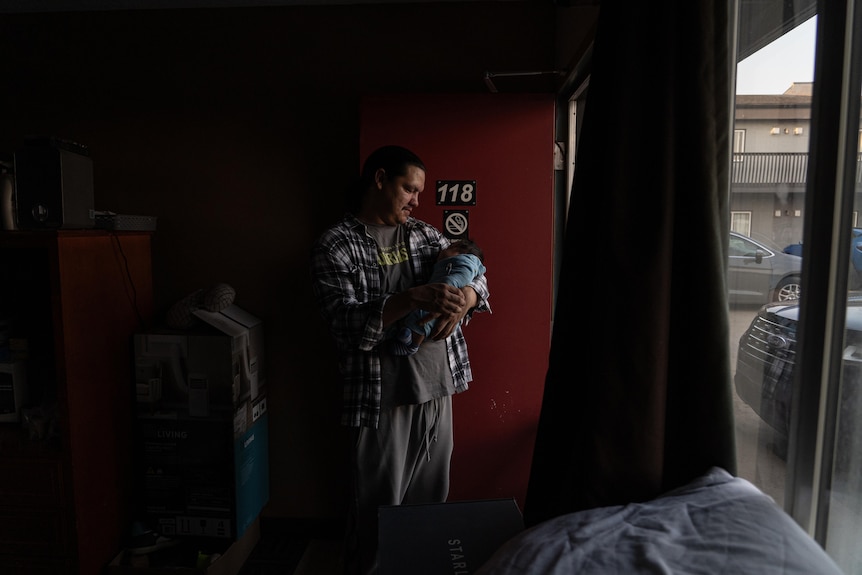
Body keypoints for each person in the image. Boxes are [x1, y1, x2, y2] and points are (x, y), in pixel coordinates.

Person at [310, 145, 490, 575]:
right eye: (409, 189)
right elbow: (345, 325)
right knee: (377, 511)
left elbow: (477, 274)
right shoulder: (336, 244)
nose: (415, 201)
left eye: (418, 193)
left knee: (430, 505)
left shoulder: (427, 236)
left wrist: (466, 298)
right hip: (379, 401)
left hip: (438, 390)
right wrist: (408, 299)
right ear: (379, 179)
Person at [386, 238, 486, 356]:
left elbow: (481, 280)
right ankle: (410, 340)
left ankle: (413, 342)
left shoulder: (430, 235)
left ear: (458, 249)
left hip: (448, 364)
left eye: (448, 248)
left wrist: (470, 294)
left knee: (426, 316)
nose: (441, 251)